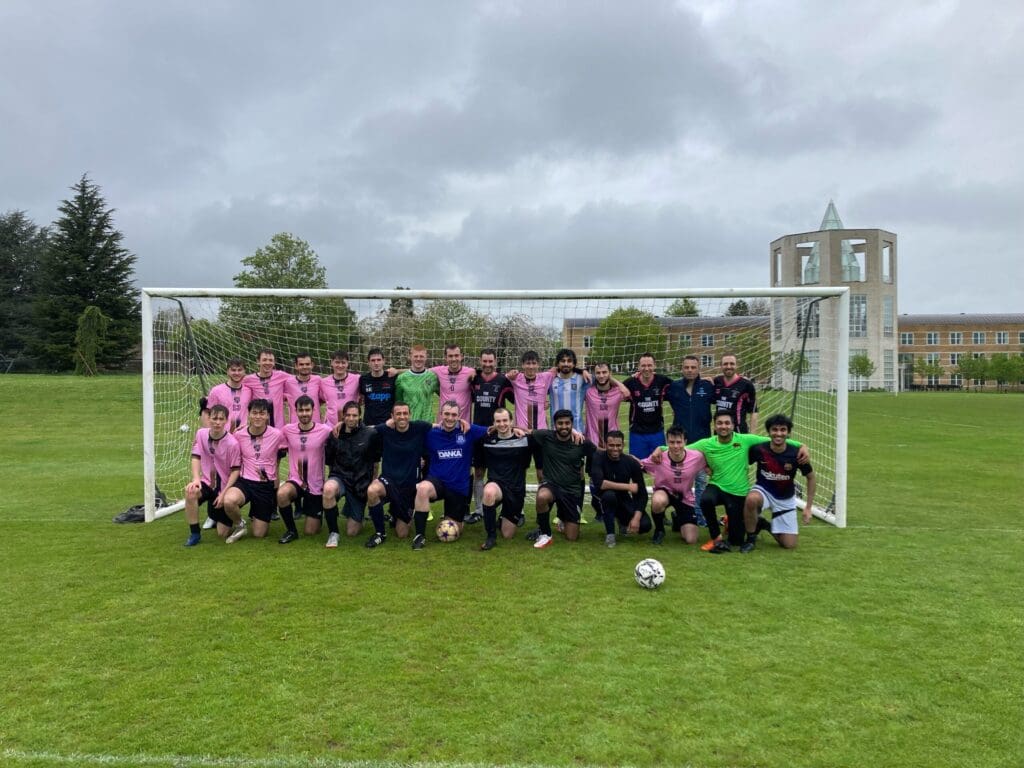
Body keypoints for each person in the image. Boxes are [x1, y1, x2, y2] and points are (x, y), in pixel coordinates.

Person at [681, 411, 807, 553]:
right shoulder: (706, 443)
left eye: (727, 423)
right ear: (714, 426)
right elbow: (681, 449)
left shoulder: (745, 440)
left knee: (736, 541)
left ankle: (748, 522)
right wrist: (660, 449)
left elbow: (772, 439)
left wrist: (801, 445)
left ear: (733, 425)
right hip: (717, 486)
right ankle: (716, 537)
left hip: (738, 492)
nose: (724, 426)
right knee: (706, 499)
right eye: (720, 423)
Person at [412, 401, 488, 549]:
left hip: (458, 487)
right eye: (446, 414)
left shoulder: (468, 431)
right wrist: (429, 425)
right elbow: (408, 427)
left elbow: (493, 429)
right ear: (441, 414)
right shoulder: (430, 433)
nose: (450, 418)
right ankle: (420, 536)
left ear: (459, 416)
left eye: (454, 415)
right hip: (437, 482)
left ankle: (458, 519)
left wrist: (516, 430)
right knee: (422, 488)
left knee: (454, 530)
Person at [742, 413, 816, 552]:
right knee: (752, 499)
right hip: (763, 491)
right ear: (769, 432)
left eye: (783, 430)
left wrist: (808, 507)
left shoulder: (797, 454)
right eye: (775, 430)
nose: (778, 434)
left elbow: (811, 477)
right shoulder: (759, 449)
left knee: (789, 544)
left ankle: (763, 524)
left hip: (785, 498)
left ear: (788, 433)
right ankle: (751, 538)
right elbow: (740, 462)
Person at [363, 402, 432, 548]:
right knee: (372, 491)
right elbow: (365, 429)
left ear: (409, 415)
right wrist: (340, 426)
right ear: (392, 416)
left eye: (405, 413)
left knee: (402, 534)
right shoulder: (385, 430)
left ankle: (396, 513)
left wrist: (462, 422)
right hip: (388, 481)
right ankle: (380, 534)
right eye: (398, 414)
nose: (402, 417)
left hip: (409, 486)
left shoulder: (419, 428)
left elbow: (441, 426)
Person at [528, 409, 597, 548]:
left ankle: (563, 517)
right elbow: (525, 431)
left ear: (572, 424)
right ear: (555, 425)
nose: (564, 426)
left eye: (567, 423)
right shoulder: (546, 436)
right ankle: (545, 534)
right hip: (552, 485)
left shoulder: (582, 442)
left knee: (572, 537)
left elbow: (598, 454)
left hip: (572, 490)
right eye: (560, 423)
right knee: (542, 496)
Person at [223, 399, 287, 542]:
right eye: (255, 413)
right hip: (244, 482)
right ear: (249, 415)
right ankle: (240, 524)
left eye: (262, 413)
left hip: (265, 486)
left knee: (259, 534)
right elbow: (225, 447)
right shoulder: (239, 435)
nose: (258, 416)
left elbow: (294, 445)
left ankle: (256, 513)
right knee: (229, 501)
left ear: (268, 416)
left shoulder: (277, 434)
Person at [665, 354, 716, 525]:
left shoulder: (708, 386)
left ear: (699, 368)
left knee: (701, 482)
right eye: (686, 367)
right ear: (682, 368)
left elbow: (726, 385)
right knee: (679, 483)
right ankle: (682, 514)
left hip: (702, 445)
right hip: (680, 446)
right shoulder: (674, 387)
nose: (690, 370)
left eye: (693, 367)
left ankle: (701, 517)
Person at [323, 401, 382, 548]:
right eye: (348, 415)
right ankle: (333, 533)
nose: (351, 418)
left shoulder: (370, 434)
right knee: (329, 489)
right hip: (340, 477)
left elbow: (375, 462)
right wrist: (332, 480)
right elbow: (330, 461)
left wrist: (372, 482)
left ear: (360, 416)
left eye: (354, 415)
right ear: (343, 416)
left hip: (359, 484)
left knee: (352, 532)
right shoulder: (335, 435)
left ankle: (352, 509)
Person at [276, 395, 332, 544]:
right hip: (296, 481)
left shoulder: (325, 430)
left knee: (311, 531)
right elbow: (270, 437)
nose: (304, 413)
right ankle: (291, 531)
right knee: (282, 494)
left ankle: (317, 512)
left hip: (316, 485)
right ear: (296, 411)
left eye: (307, 410)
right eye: (301, 410)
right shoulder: (287, 430)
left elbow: (340, 436)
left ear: (314, 410)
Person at [183, 404, 241, 546]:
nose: (217, 422)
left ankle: (225, 517)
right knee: (190, 492)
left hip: (223, 488)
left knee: (222, 534)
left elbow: (235, 471)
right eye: (214, 418)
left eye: (221, 419)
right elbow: (196, 456)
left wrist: (224, 494)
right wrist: (196, 479)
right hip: (208, 483)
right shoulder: (201, 434)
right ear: (209, 419)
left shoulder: (232, 443)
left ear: (226, 421)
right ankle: (195, 534)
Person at [639, 426, 707, 545]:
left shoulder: (697, 457)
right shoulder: (658, 457)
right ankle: (659, 530)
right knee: (657, 500)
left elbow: (712, 463)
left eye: (679, 442)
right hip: (665, 492)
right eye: (672, 442)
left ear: (685, 442)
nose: (675, 446)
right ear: (667, 442)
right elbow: (640, 464)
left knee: (691, 540)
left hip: (685, 497)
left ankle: (678, 519)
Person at [469, 348, 513, 521]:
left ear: (495, 361)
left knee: (502, 472)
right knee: (478, 472)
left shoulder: (503, 380)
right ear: (480, 362)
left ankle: (509, 509)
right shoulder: (473, 379)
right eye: (484, 361)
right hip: (479, 433)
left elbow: (517, 399)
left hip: (499, 433)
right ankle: (479, 510)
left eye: (490, 361)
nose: (487, 364)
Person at [478, 407, 532, 550]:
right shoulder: (487, 440)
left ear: (511, 421)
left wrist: (575, 431)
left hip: (516, 490)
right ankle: (490, 537)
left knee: (507, 535)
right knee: (488, 492)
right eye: (498, 421)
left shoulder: (524, 440)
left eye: (505, 420)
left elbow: (547, 435)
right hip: (497, 485)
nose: (502, 424)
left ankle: (502, 518)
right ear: (494, 423)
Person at [589, 430, 649, 548]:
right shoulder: (598, 457)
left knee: (645, 525)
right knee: (609, 496)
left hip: (623, 498)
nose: (615, 448)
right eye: (611, 445)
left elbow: (642, 493)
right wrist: (627, 486)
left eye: (618, 445)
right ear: (605, 445)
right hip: (602, 498)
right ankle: (610, 534)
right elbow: (600, 484)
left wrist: (636, 518)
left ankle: (622, 521)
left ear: (623, 445)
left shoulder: (631, 462)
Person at [624, 352, 672, 459]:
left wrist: (701, 380)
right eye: (643, 365)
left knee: (660, 464)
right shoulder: (631, 382)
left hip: (657, 432)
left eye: (649, 365)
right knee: (637, 466)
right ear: (638, 367)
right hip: (637, 433)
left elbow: (681, 386)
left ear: (655, 366)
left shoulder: (662, 381)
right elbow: (615, 389)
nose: (646, 368)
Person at [584, 361, 631, 449]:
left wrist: (613, 380)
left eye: (604, 372)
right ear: (594, 374)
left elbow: (627, 393)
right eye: (598, 373)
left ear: (610, 373)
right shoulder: (588, 392)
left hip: (613, 441)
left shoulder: (617, 391)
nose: (601, 376)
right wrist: (582, 371)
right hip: (593, 441)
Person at [508, 350, 555, 430]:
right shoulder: (516, 378)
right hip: (522, 431)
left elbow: (562, 368)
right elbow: (499, 378)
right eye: (528, 363)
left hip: (541, 430)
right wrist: (510, 373)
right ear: (522, 365)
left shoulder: (546, 377)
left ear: (538, 365)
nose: (531, 366)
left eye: (534, 363)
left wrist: (582, 371)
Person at [243, 349, 290, 427]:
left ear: (274, 362)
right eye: (264, 360)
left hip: (278, 426)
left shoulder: (281, 376)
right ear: (258, 361)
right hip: (258, 426)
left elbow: (298, 380)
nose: (268, 363)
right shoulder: (248, 380)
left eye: (271, 360)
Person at [713, 353, 758, 433]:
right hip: (719, 430)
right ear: (721, 366)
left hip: (738, 431)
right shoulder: (717, 381)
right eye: (725, 364)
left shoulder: (746, 385)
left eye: (732, 364)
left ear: (736, 365)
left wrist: (752, 435)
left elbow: (753, 411)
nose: (729, 366)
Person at [204, 357, 251, 433]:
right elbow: (208, 414)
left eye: (240, 370)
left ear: (244, 372)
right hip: (223, 435)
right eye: (233, 370)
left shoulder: (249, 390)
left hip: (243, 434)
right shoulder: (216, 390)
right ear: (227, 372)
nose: (236, 373)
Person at [430, 344, 475, 422]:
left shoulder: (470, 372)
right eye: (450, 356)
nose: (454, 359)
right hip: (443, 423)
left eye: (456, 355)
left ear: (461, 356)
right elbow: (418, 372)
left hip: (462, 424)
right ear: (445, 358)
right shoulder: (439, 371)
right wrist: (401, 372)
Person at [548, 348, 590, 431]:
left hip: (577, 430)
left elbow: (603, 379)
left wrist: (583, 371)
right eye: (563, 361)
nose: (566, 364)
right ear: (558, 363)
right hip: (556, 430)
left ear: (574, 364)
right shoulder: (550, 379)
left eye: (569, 361)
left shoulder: (583, 378)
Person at [395, 344, 439, 422]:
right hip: (408, 423)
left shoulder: (433, 377)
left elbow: (444, 395)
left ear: (426, 357)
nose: (418, 359)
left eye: (421, 356)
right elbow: (398, 402)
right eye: (415, 356)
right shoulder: (401, 378)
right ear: (410, 357)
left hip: (427, 423)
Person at [321, 349, 361, 427]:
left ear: (347, 363)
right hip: (330, 425)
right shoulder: (323, 382)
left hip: (352, 424)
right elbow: (318, 400)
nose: (340, 365)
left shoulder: (357, 379)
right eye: (337, 362)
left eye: (343, 362)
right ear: (331, 362)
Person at [359, 347, 399, 427]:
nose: (376, 363)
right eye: (373, 360)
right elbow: (361, 398)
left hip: (388, 424)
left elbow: (412, 371)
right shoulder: (363, 379)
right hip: (369, 424)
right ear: (368, 362)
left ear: (384, 361)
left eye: (379, 360)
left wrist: (398, 371)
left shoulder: (392, 377)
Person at [284, 352, 324, 424]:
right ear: (296, 366)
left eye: (307, 364)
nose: (305, 367)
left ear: (312, 365)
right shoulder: (288, 382)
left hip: (315, 425)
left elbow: (323, 399)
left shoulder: (318, 380)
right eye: (301, 364)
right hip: (296, 425)